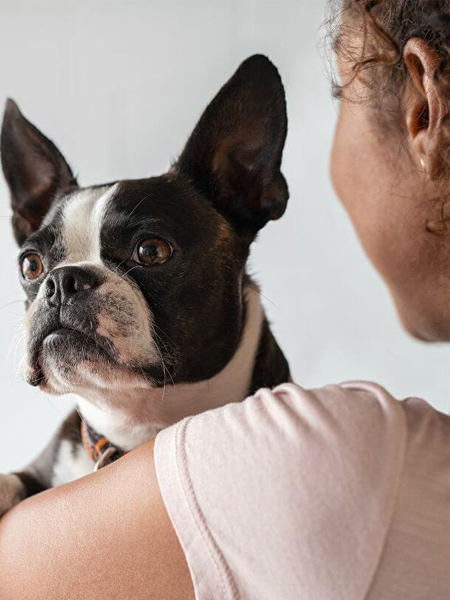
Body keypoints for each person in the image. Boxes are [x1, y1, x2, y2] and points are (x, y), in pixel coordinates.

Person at [0, 1, 448, 598]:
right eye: (37, 266)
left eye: (148, 253)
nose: (59, 288)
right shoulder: (53, 461)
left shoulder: (309, 457)